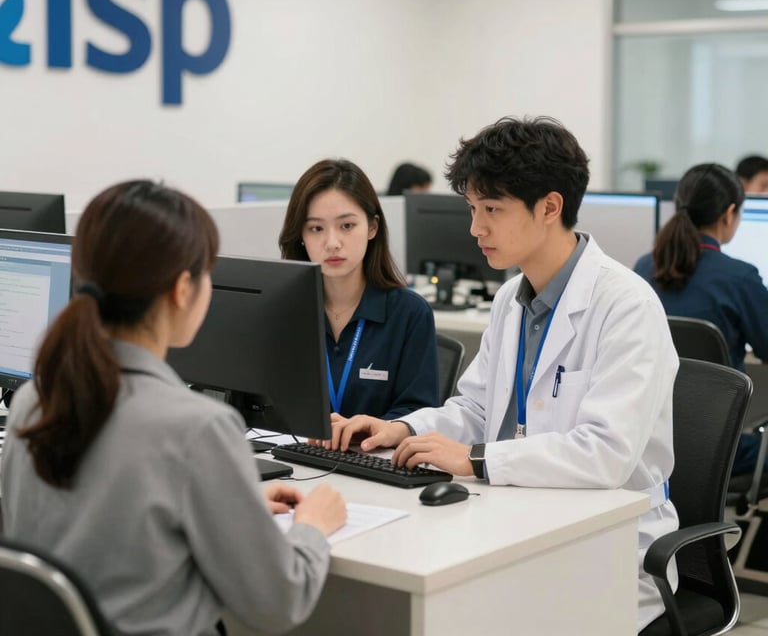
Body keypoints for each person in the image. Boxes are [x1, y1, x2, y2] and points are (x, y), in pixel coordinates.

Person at [330, 117, 679, 631]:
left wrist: (475, 458)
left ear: (550, 207)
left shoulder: (625, 305)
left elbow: (605, 453)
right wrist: (405, 429)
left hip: (609, 545)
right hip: (514, 518)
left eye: (491, 210)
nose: (476, 228)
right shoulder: (510, 300)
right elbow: (474, 407)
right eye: (473, 209)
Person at [1, 180, 347, 636]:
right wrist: (312, 527)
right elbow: (280, 603)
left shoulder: (34, 402)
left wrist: (230, 504)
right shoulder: (197, 430)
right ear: (183, 289)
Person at [634, 162, 768, 475]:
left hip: (647, 443)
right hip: (717, 449)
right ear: (729, 213)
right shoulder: (739, 277)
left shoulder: (643, 267)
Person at [279, 158, 439, 419]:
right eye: (316, 228)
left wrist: (376, 430)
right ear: (301, 236)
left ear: (372, 227)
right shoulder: (284, 312)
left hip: (374, 456)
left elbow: (418, 413)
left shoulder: (409, 314)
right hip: (295, 457)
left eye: (347, 226)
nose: (332, 243)